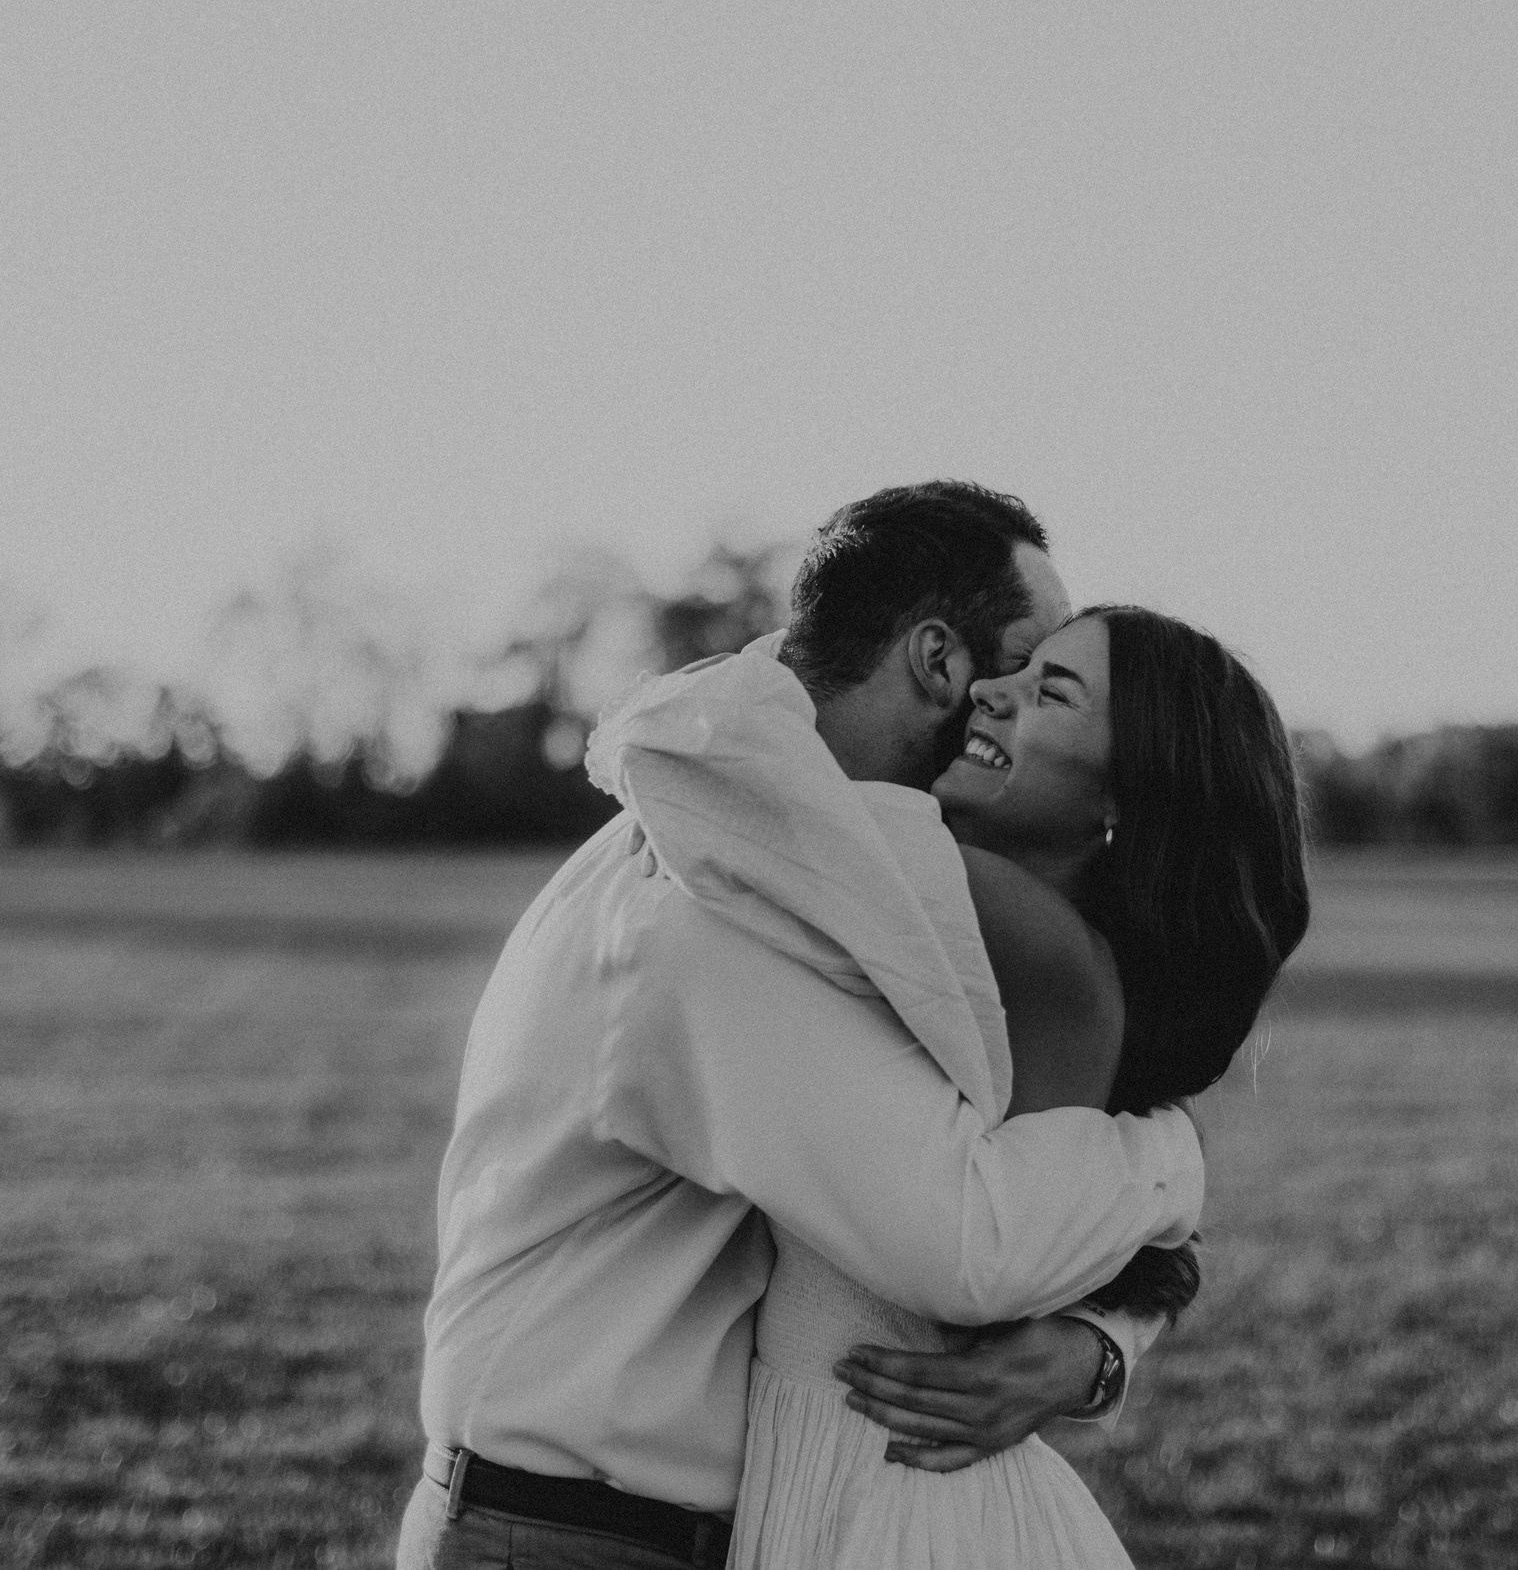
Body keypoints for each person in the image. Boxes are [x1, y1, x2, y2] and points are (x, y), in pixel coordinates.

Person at [399, 483, 1207, 1570]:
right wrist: (1173, 1157)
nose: (1010, 701)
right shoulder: (707, 905)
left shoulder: (815, 870)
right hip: (569, 1535)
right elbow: (963, 1248)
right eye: (1016, 663)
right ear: (937, 660)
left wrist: (1093, 1348)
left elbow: (1014, 1198)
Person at [621, 602, 1311, 1567]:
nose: (990, 688)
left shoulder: (1023, 929)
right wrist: (1105, 1330)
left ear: (1124, 798)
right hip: (871, 1476)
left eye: (1050, 690)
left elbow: (694, 765)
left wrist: (829, 639)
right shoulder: (1006, 939)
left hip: (899, 1498)